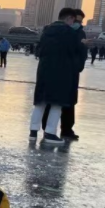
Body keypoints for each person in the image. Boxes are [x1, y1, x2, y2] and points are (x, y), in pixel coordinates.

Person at [29, 8, 87, 145]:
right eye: (74, 20)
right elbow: (74, 53)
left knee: (40, 103)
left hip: (43, 71)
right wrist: (83, 46)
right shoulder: (70, 33)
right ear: (70, 19)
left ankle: (33, 131)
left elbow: (39, 51)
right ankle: (50, 133)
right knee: (57, 104)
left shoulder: (46, 31)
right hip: (61, 73)